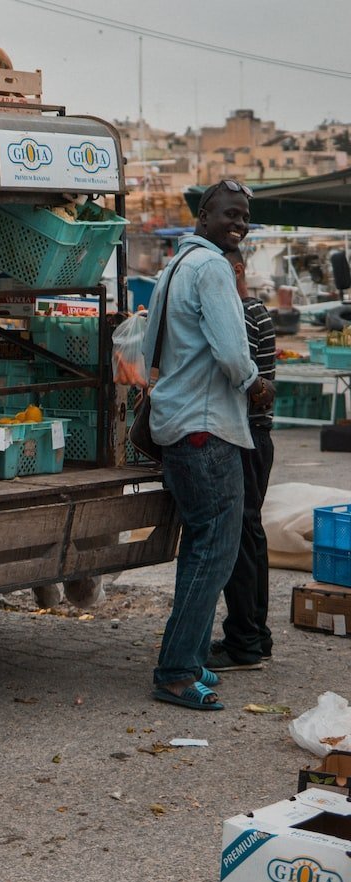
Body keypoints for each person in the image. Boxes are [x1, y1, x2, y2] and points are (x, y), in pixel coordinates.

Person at [143, 179, 274, 711]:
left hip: (176, 422)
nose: (238, 223)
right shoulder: (213, 267)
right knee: (214, 555)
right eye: (229, 213)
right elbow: (231, 349)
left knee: (200, 549)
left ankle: (193, 659)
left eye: (244, 215)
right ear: (204, 215)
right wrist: (254, 384)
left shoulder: (175, 266)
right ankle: (175, 671)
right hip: (206, 427)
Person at [208, 248, 276, 671]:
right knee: (252, 533)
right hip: (257, 434)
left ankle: (245, 642)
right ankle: (255, 636)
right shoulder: (255, 310)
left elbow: (240, 374)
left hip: (248, 434)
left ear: (235, 270)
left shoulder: (245, 314)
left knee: (242, 537)